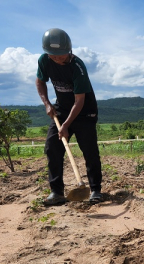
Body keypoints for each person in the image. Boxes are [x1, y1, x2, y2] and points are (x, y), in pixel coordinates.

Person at [35, 28, 103, 205]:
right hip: (62, 109)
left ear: (69, 50)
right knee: (52, 147)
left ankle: (95, 190)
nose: (58, 58)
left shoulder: (78, 67)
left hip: (85, 111)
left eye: (61, 55)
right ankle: (56, 192)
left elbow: (79, 101)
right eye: (53, 55)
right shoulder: (44, 61)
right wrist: (47, 104)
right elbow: (40, 81)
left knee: (89, 151)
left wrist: (65, 125)